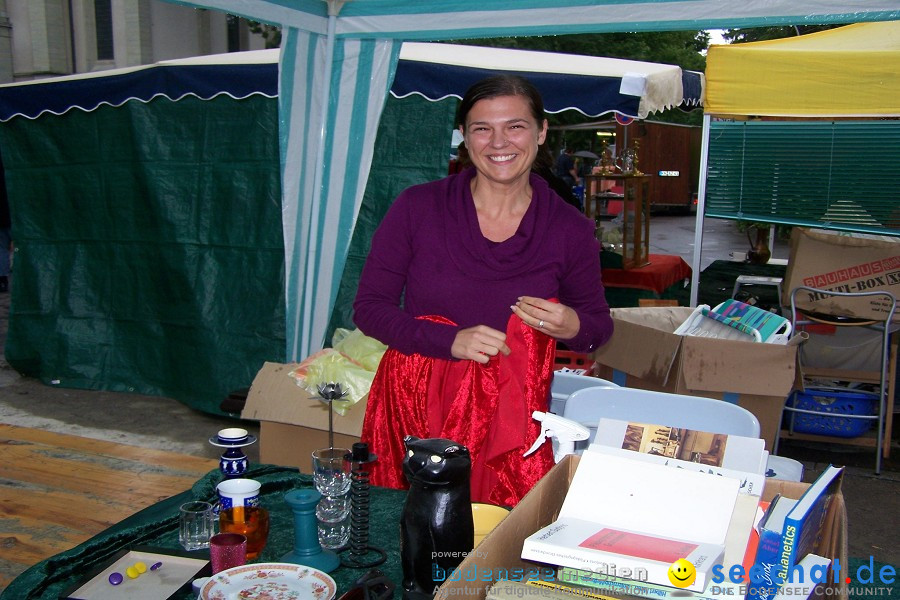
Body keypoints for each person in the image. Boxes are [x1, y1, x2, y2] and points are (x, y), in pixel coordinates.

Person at [353, 74, 613, 506]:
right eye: (482, 128)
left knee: (494, 540)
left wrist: (571, 324)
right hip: (419, 402)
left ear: (541, 131)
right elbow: (369, 308)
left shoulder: (569, 230)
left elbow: (597, 330)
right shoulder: (418, 208)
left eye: (515, 126)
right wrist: (448, 339)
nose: (499, 142)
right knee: (411, 533)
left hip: (510, 420)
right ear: (464, 136)